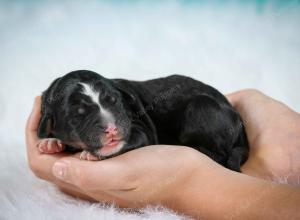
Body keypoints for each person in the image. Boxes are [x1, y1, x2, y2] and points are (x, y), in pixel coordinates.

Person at [26, 89, 300, 219]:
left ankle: (225, 160)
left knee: (200, 119)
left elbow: (138, 136)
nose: (109, 128)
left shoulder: (126, 106)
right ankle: (260, 165)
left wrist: (188, 183)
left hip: (204, 114)